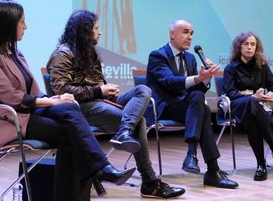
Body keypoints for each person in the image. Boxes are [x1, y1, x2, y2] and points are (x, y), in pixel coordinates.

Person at [0, 0, 135, 200]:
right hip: (3, 120)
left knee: (70, 108)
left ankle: (100, 169)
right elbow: (11, 97)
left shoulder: (14, 53)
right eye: (22, 22)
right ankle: (100, 169)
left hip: (23, 113)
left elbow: (32, 92)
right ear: (7, 24)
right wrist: (51, 102)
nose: (26, 26)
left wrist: (58, 98)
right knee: (70, 133)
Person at [46, 10, 185, 198]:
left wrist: (106, 89)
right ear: (84, 31)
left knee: (143, 90)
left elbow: (96, 84)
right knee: (140, 121)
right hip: (81, 107)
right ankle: (150, 182)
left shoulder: (89, 52)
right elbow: (61, 91)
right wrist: (99, 91)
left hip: (101, 100)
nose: (100, 32)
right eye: (96, 28)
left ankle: (124, 131)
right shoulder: (62, 54)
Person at [146, 19, 239, 189]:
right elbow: (169, 81)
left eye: (191, 33)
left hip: (187, 107)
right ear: (172, 34)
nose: (189, 37)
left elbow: (196, 91)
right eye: (185, 32)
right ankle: (211, 170)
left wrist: (205, 79)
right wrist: (197, 78)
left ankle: (192, 157)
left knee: (199, 101)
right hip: (164, 108)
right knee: (201, 108)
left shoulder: (190, 58)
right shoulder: (157, 55)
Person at [221, 31, 273, 181]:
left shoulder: (262, 66)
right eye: (246, 44)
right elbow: (230, 93)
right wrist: (252, 97)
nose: (250, 47)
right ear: (239, 47)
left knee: (254, 116)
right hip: (237, 107)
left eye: (253, 44)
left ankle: (261, 165)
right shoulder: (231, 68)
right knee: (252, 103)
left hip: (258, 109)